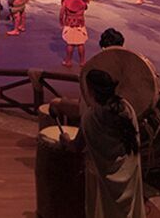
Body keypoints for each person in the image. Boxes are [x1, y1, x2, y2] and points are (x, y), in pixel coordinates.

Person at [61, 69, 144, 218]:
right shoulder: (126, 108)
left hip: (102, 177)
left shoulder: (91, 118)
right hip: (129, 172)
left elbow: (76, 147)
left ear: (91, 91)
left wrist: (65, 139)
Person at [60, 0, 89, 68]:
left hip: (69, 24)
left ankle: (68, 61)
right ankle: (82, 61)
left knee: (70, 44)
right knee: (81, 43)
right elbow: (86, 7)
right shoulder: (82, 2)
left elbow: (62, 13)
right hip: (80, 24)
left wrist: (61, 21)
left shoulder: (66, 1)